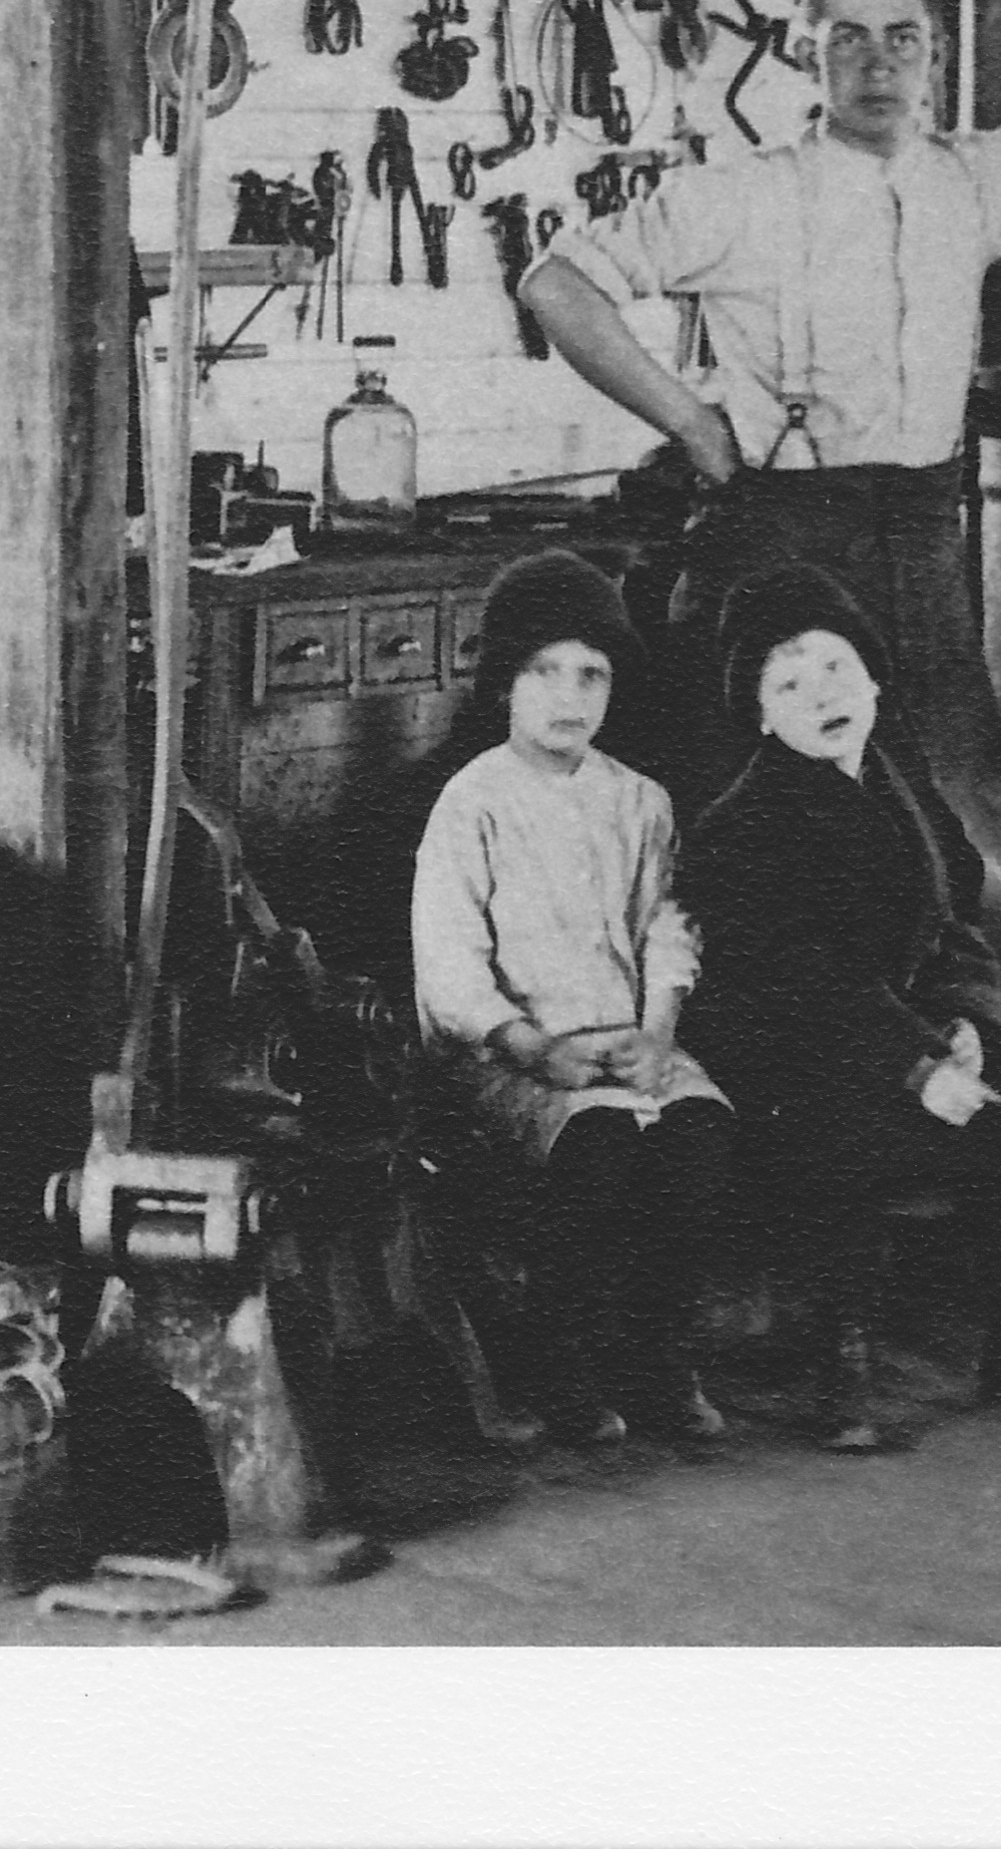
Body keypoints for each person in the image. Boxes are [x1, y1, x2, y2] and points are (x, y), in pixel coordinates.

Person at [518, 0, 1001, 1037]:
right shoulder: (738, 196)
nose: (876, 65)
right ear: (806, 54)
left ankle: (996, 1106)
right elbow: (557, 286)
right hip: (773, 541)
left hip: (920, 535)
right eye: (848, 40)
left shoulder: (976, 180)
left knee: (963, 827)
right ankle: (720, 1113)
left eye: (902, 39)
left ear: (936, 53)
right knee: (731, 831)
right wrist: (688, 419)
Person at [674, 563, 1001, 1450]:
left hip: (915, 1034)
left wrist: (971, 1026)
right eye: (789, 683)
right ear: (762, 715)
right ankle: (843, 1359)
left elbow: (957, 924)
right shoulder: (744, 825)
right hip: (790, 1051)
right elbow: (796, 982)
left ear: (876, 681)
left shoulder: (905, 789)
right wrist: (919, 1065)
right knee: (846, 1136)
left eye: (837, 669)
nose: (821, 695)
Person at [409, 551, 738, 1449]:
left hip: (632, 1042)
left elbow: (670, 929)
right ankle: (562, 1358)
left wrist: (660, 1034)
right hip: (515, 1055)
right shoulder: (471, 803)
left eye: (591, 674)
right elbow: (448, 968)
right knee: (595, 1148)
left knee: (699, 1140)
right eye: (544, 671)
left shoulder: (640, 801)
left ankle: (657, 1354)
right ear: (504, 681)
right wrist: (532, 1048)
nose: (570, 696)